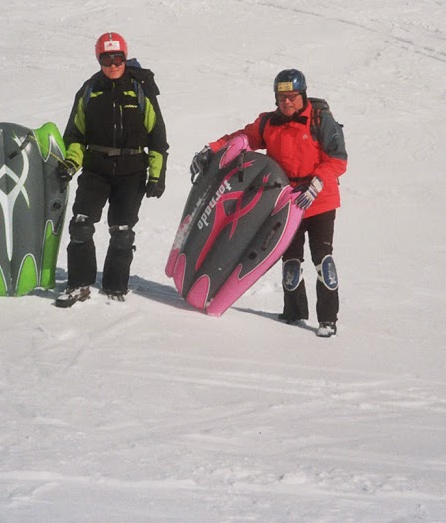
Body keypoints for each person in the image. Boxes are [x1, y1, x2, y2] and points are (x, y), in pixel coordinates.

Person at [190, 69, 347, 337]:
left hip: (319, 200)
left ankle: (328, 320)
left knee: (323, 261)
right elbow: (245, 137)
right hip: (288, 201)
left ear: (303, 95)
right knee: (291, 262)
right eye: (281, 97)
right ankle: (294, 312)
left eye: (292, 96)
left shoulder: (320, 120)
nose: (287, 102)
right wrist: (214, 149)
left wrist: (317, 182)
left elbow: (338, 159)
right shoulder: (269, 123)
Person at [54, 32, 169, 306]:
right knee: (81, 224)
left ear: (125, 57)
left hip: (132, 170)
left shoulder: (140, 89)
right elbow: (75, 135)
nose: (113, 64)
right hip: (96, 168)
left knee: (122, 230)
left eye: (118, 58)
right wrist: (71, 162)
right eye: (106, 58)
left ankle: (115, 288)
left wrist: (157, 175)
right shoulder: (90, 90)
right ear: (99, 59)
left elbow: (157, 137)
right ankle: (79, 284)